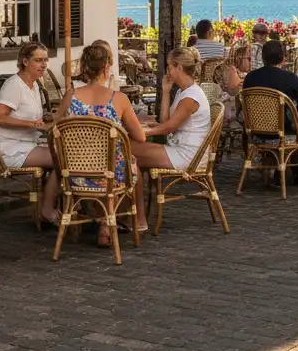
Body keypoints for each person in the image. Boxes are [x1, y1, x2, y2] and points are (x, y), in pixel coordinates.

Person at [57, 41, 146, 246]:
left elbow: (56, 128)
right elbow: (140, 137)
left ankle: (99, 219)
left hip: (75, 175)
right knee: (128, 165)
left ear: (84, 68)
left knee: (112, 164)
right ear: (106, 67)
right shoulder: (118, 99)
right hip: (111, 176)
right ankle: (109, 222)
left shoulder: (70, 96)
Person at [132, 46, 211, 223]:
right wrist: (166, 91)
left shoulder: (191, 97)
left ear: (179, 67)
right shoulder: (184, 92)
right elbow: (165, 121)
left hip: (188, 155)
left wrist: (142, 131)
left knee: (127, 151)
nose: (168, 71)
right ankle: (136, 213)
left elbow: (169, 127)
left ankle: (137, 216)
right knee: (129, 155)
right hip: (180, 148)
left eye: (169, 66)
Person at [0, 42, 59, 223]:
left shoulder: (34, 85)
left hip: (27, 143)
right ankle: (47, 209)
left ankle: (54, 203)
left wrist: (48, 119)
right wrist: (32, 124)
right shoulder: (14, 86)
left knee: (66, 153)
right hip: (10, 148)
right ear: (25, 62)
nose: (43, 65)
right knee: (63, 159)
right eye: (38, 60)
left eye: (45, 60)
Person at [242, 39, 298, 135]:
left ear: (263, 58)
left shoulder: (250, 77)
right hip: (283, 134)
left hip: (254, 133)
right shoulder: (290, 78)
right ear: (283, 59)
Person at [217, 41, 251, 123]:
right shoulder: (232, 70)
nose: (251, 62)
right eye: (249, 59)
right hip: (232, 115)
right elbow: (234, 89)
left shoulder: (236, 70)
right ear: (239, 58)